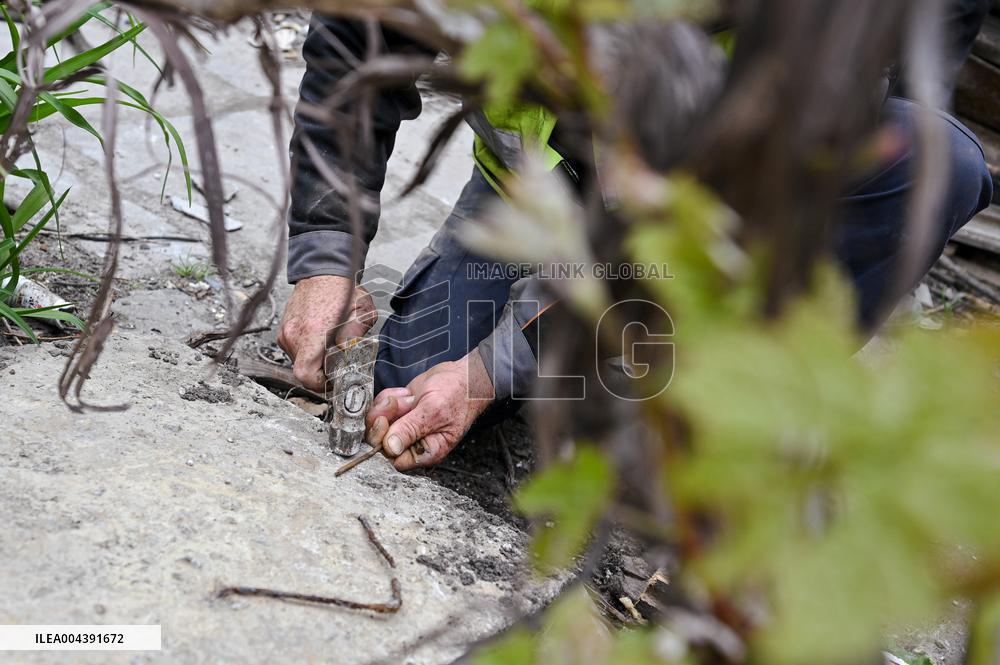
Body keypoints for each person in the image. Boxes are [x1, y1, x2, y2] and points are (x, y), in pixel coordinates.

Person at [278, 12, 993, 473]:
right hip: (536, 203)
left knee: (932, 165)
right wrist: (325, 253)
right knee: (405, 386)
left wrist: (492, 366)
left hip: (714, 219)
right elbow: (359, 33)